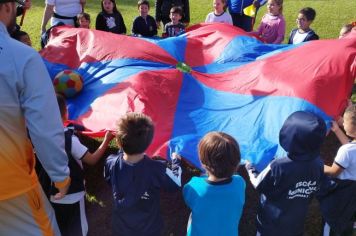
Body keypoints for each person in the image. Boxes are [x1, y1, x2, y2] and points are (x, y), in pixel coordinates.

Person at [0, 0, 71, 235]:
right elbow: (45, 127)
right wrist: (60, 176)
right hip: (11, 186)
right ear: (8, 7)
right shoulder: (21, 57)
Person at [245, 111, 326, 236]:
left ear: (287, 135)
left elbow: (258, 183)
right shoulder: (319, 164)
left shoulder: (278, 166)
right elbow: (314, 190)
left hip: (270, 224)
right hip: (295, 224)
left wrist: (250, 167)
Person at [104, 112, 182, 236]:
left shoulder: (111, 162)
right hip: (149, 229)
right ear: (149, 143)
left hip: (120, 228)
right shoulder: (157, 169)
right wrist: (176, 161)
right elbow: (176, 183)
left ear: (119, 142)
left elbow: (109, 180)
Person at [50, 94, 114, 236]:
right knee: (77, 230)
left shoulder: (38, 137)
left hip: (50, 193)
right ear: (65, 113)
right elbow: (91, 160)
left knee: (58, 227)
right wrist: (106, 141)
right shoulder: (70, 140)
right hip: (72, 194)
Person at [183, 132, 246, 235]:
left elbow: (189, 201)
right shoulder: (240, 182)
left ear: (202, 163)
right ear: (237, 161)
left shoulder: (193, 185)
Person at [320, 105, 356, 236]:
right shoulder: (351, 149)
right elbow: (350, 148)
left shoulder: (347, 151)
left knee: (332, 226)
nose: (342, 124)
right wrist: (337, 130)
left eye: (344, 122)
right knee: (346, 226)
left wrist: (315, 164)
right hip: (352, 198)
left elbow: (333, 172)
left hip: (340, 197)